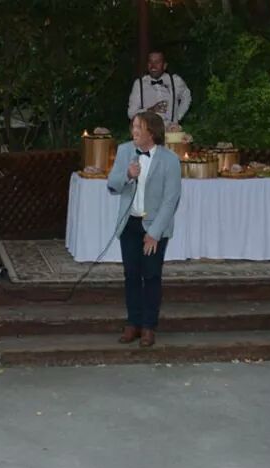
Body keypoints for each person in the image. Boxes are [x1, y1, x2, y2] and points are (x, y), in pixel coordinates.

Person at [107, 111, 182, 347]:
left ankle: (149, 326)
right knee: (131, 275)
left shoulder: (170, 160)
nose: (134, 131)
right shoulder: (124, 151)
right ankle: (133, 323)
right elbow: (112, 185)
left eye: (139, 127)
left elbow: (171, 200)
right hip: (130, 223)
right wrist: (127, 175)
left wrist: (154, 233)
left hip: (155, 227)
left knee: (151, 275)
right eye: (134, 126)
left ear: (152, 132)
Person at [127, 50, 192, 127]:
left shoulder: (175, 81)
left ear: (164, 65)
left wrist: (177, 117)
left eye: (157, 62)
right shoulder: (139, 84)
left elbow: (187, 97)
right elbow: (131, 113)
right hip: (149, 131)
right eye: (150, 62)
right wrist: (150, 110)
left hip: (171, 130)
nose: (153, 66)